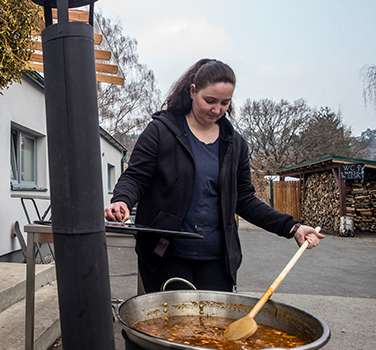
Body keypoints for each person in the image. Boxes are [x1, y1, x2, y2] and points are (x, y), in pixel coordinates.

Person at [104, 58, 324, 293]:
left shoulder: (235, 144)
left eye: (224, 103)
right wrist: (122, 200)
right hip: (165, 254)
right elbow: (136, 177)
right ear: (192, 91)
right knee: (173, 329)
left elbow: (245, 199)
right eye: (210, 101)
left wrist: (292, 227)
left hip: (217, 258)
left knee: (213, 328)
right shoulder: (160, 131)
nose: (217, 110)